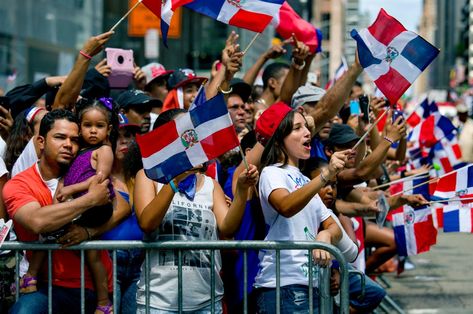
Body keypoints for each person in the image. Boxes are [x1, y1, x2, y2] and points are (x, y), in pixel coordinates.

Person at [133, 108, 258, 313]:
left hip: (206, 302)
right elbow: (147, 223)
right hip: (158, 303)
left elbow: (227, 228)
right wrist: (176, 179)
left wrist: (242, 190)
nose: (192, 137)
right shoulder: (147, 178)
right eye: (184, 131)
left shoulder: (211, 185)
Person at [3, 109, 111, 313]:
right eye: (60, 137)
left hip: (96, 288)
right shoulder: (19, 184)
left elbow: (121, 203)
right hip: (46, 287)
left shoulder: (86, 170)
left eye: (75, 139)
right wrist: (89, 200)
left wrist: (89, 232)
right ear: (41, 142)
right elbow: (38, 221)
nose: (69, 145)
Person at [253, 102, 348, 313]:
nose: (307, 133)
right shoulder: (271, 173)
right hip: (283, 285)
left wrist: (325, 236)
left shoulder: (305, 180)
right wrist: (325, 175)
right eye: (297, 128)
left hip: (312, 285)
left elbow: (334, 226)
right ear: (278, 140)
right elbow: (286, 206)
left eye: (306, 127)